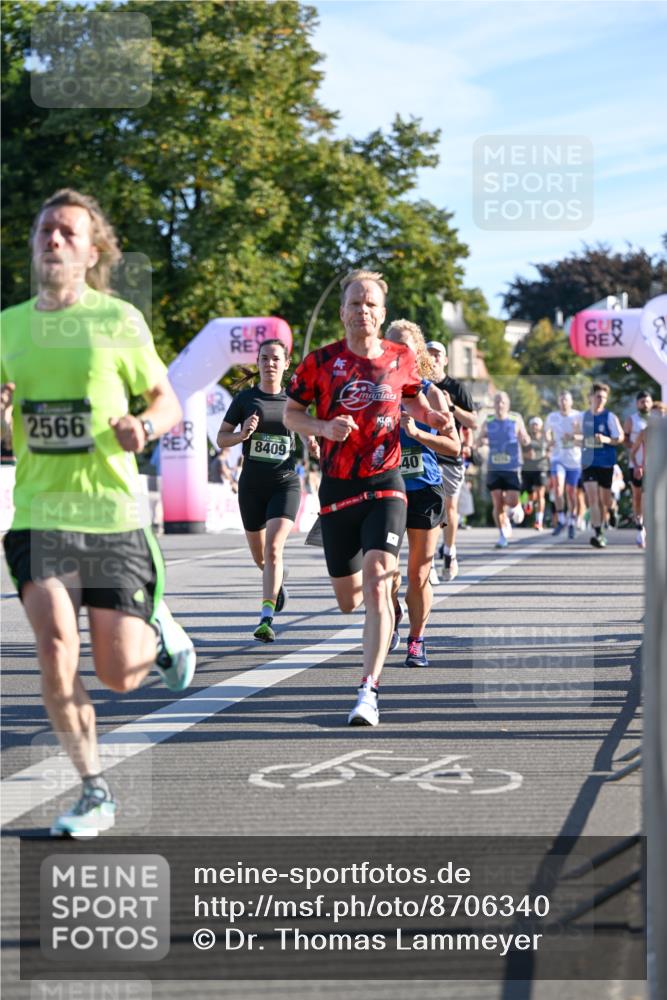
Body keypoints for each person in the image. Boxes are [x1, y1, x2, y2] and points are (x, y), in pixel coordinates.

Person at [1, 189, 195, 837]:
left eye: (65, 232)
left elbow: (168, 400)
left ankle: (159, 629)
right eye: (43, 231)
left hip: (112, 516)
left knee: (119, 676)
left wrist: (143, 424)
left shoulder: (119, 321)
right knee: (56, 648)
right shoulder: (7, 328)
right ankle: (93, 791)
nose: (51, 240)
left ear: (91, 252)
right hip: (37, 515)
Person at [284, 269, 453, 726]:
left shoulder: (401, 358)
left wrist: (432, 418)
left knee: (381, 577)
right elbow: (291, 412)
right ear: (343, 313)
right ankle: (363, 599)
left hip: (386, 483)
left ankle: (368, 690)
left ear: (382, 313)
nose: (363, 310)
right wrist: (321, 427)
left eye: (371, 303)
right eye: (355, 303)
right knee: (347, 599)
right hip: (338, 488)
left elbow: (413, 401)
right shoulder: (319, 363)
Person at [217, 339, 317, 643]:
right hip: (251, 487)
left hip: (284, 482)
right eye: (264, 358)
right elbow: (222, 439)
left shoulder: (294, 401)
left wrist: (313, 442)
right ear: (258, 363)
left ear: (286, 364)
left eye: (275, 359)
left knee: (274, 549)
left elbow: (308, 432)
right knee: (261, 558)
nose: (269, 363)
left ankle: (265, 617)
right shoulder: (245, 399)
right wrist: (242, 434)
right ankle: (278, 580)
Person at [384, 320, 459, 667]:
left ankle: (417, 640)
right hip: (385, 489)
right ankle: (394, 610)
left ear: (417, 353)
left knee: (418, 572)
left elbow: (454, 446)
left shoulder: (432, 393)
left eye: (404, 347)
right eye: (391, 346)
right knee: (384, 570)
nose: (398, 353)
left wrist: (418, 433)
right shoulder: (374, 391)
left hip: (424, 488)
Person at [425, 340, 476, 581]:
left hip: (449, 454)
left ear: (445, 360)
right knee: (431, 508)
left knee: (450, 508)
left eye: (438, 355)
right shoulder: (417, 385)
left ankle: (449, 552)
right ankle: (430, 562)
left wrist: (451, 407)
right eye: (429, 354)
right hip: (425, 454)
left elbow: (474, 422)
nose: (433, 358)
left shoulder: (456, 387)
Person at [477, 391, 531, 549]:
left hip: (512, 466)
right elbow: (479, 439)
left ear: (507, 404)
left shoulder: (516, 418)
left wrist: (525, 439)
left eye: (502, 402)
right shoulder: (489, 420)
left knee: (512, 499)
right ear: (494, 404)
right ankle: (502, 535)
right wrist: (480, 442)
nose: (500, 404)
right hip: (494, 466)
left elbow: (524, 436)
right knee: (497, 501)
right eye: (497, 402)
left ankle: (515, 507)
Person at [581, 382, 624, 548]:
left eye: (604, 398)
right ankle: (599, 534)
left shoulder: (610, 417)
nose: (601, 400)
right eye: (598, 397)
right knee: (592, 498)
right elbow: (578, 438)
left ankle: (612, 509)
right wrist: (572, 438)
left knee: (605, 500)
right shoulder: (582, 417)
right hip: (588, 462)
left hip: (606, 462)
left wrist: (606, 439)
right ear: (590, 397)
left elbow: (619, 437)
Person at [545, 390, 582, 539]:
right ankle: (561, 520)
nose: (563, 402)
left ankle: (572, 521)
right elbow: (546, 432)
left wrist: (574, 434)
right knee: (558, 489)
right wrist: (549, 440)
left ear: (571, 402)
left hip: (574, 460)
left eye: (566, 400)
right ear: (558, 402)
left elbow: (584, 437)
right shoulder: (552, 417)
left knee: (571, 494)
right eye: (561, 400)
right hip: (557, 458)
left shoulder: (577, 416)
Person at [624, 389, 653, 547]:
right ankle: (639, 528)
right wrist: (635, 448)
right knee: (637, 497)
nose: (645, 404)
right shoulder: (632, 419)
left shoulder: (657, 419)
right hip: (636, 464)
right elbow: (625, 439)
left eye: (648, 401)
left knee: (649, 498)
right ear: (637, 404)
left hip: (653, 465)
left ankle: (649, 530)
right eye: (642, 401)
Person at [522, 416, 549, 530]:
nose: (535, 426)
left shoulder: (545, 438)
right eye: (533, 424)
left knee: (540, 495)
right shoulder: (526, 438)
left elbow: (551, 450)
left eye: (537, 424)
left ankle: (539, 521)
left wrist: (548, 454)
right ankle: (529, 503)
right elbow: (519, 452)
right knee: (530, 495)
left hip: (541, 468)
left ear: (541, 426)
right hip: (527, 468)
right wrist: (526, 455)